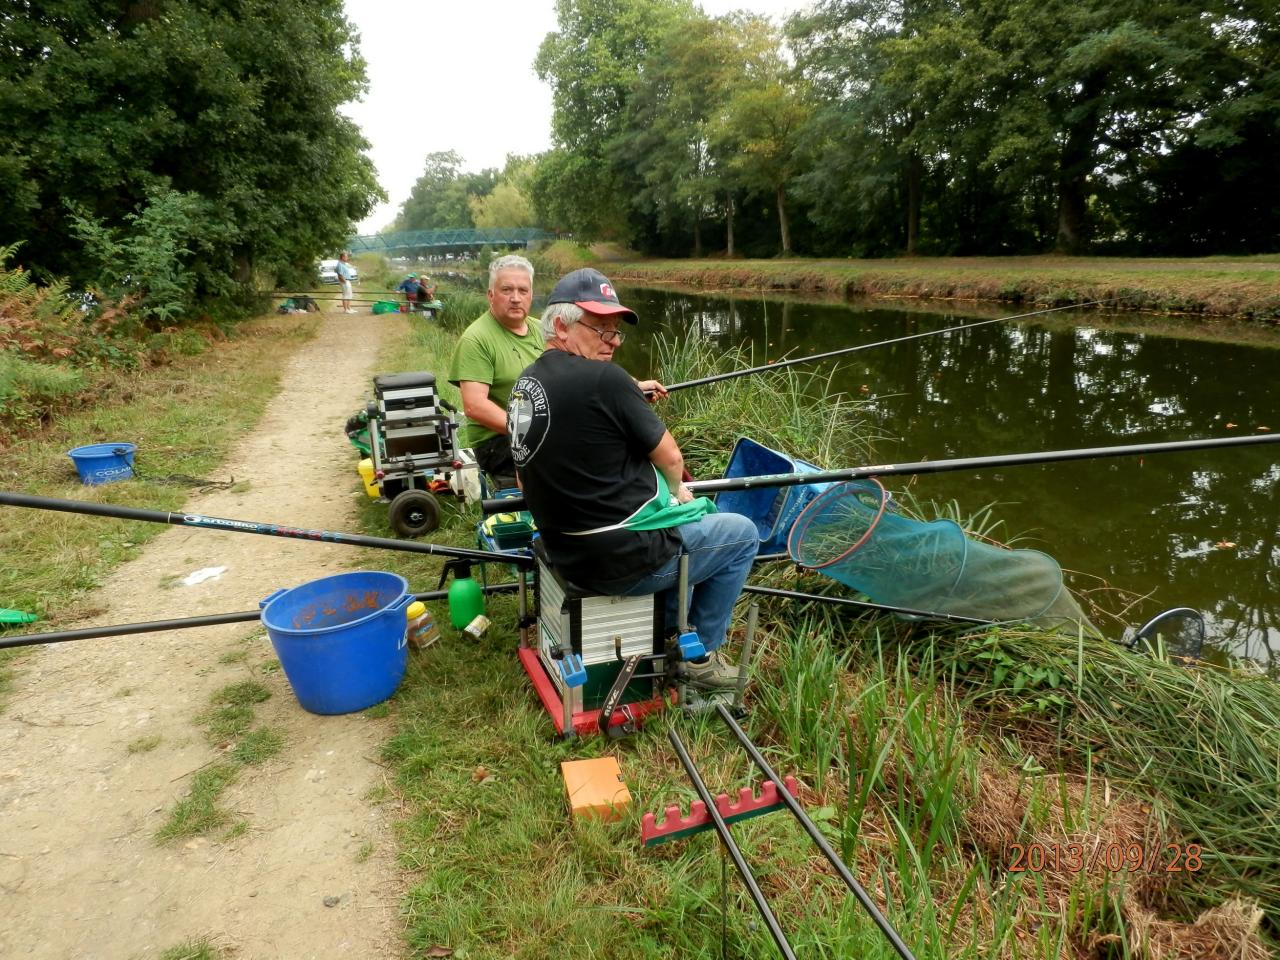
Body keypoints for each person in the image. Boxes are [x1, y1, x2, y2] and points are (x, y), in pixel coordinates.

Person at [506, 268, 759, 688]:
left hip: (565, 550)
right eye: (600, 330)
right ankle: (698, 661)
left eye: (616, 332)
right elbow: (672, 459)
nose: (612, 342)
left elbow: (521, 479)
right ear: (562, 327)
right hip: (619, 561)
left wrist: (622, 399)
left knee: (684, 528)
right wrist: (677, 493)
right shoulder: (606, 380)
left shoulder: (526, 384)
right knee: (741, 534)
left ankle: (667, 632)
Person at [447, 254, 543, 489]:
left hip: (542, 428)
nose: (515, 298)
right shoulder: (476, 339)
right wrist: (531, 431)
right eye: (506, 290)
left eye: (523, 290)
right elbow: (474, 407)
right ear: (490, 295)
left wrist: (630, 384)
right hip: (498, 440)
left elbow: (579, 368)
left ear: (531, 295)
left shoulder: (543, 330)